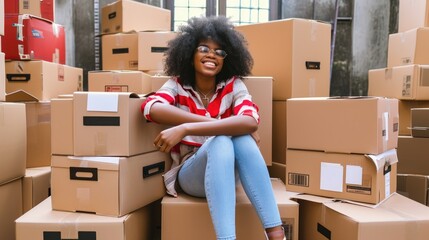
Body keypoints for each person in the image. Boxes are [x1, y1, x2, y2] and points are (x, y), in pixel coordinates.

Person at [141, 16, 286, 240]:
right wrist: (221, 127)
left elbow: (250, 121)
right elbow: (151, 107)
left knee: (242, 140)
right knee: (222, 140)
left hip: (229, 172)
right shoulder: (178, 85)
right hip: (192, 174)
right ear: (190, 55)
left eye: (220, 52)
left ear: (226, 60)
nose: (212, 55)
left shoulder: (233, 85)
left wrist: (186, 127)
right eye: (204, 48)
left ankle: (276, 234)